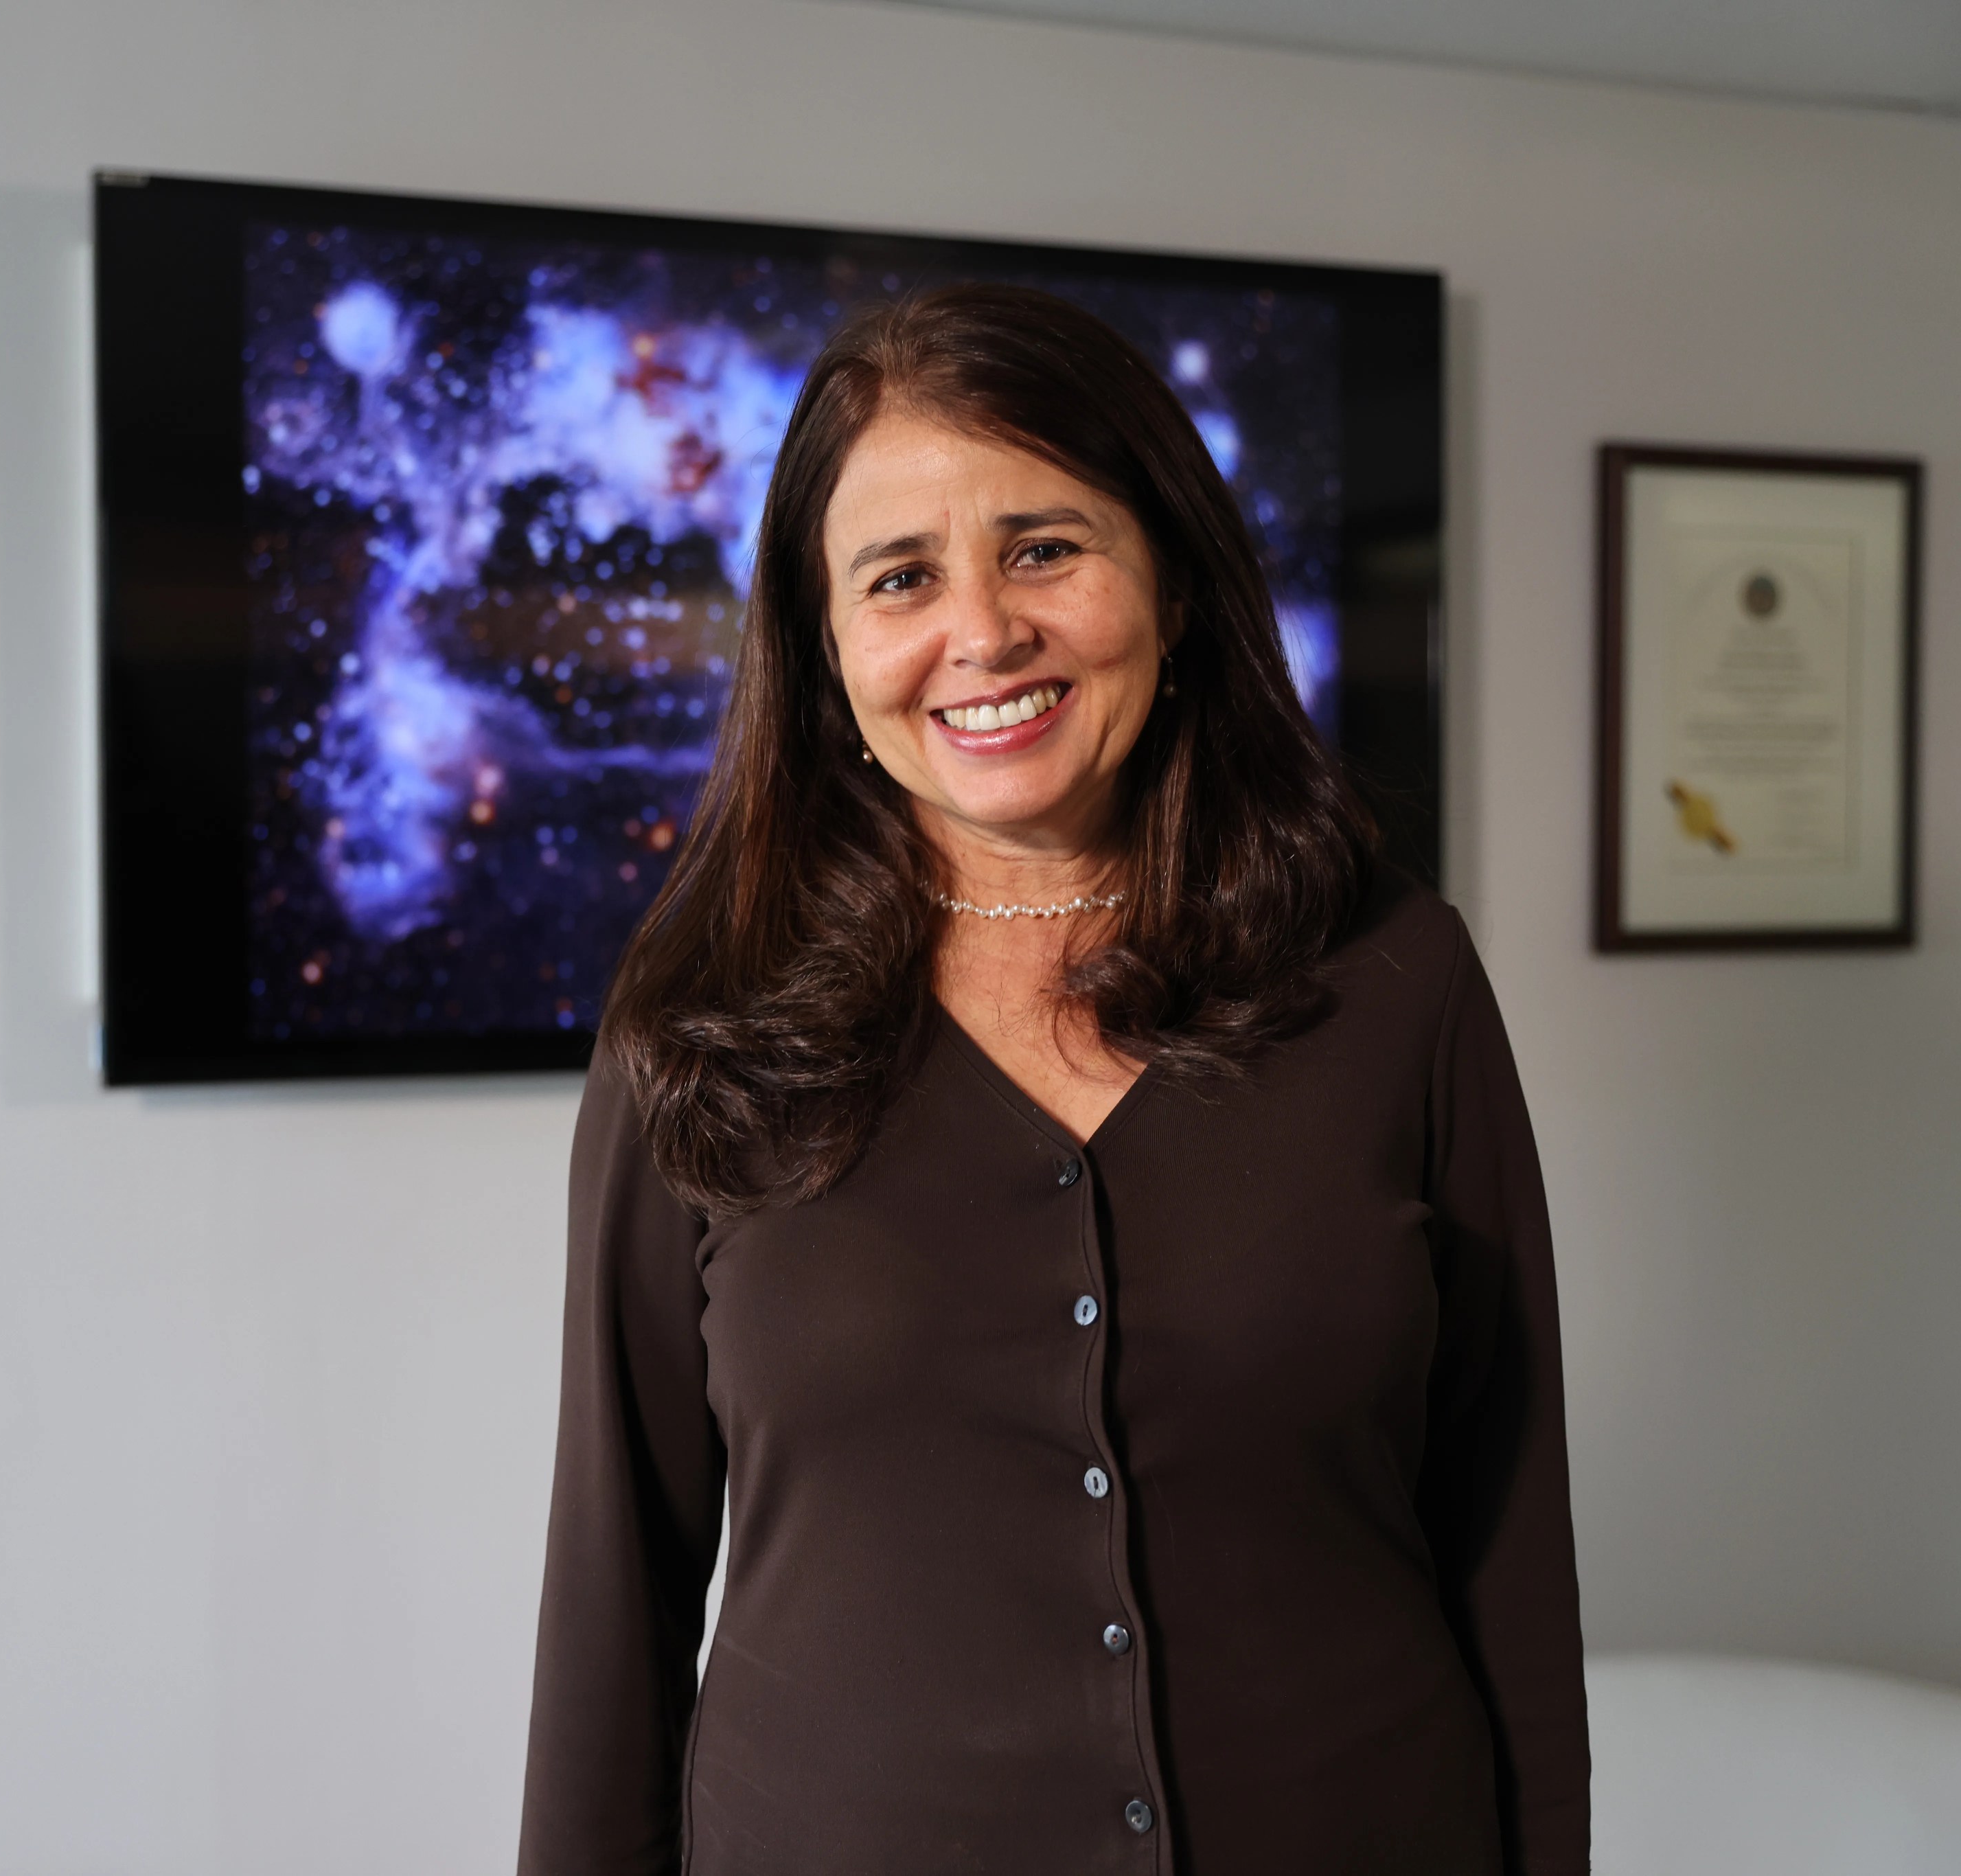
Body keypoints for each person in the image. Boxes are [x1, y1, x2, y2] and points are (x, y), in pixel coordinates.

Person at [517, 284, 1586, 1875]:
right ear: (826, 654)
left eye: (1042, 547)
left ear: (1168, 581)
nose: (982, 632)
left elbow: (1506, 1542)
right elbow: (616, 1592)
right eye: (899, 577)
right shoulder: (699, 1020)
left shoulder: (1393, 979)